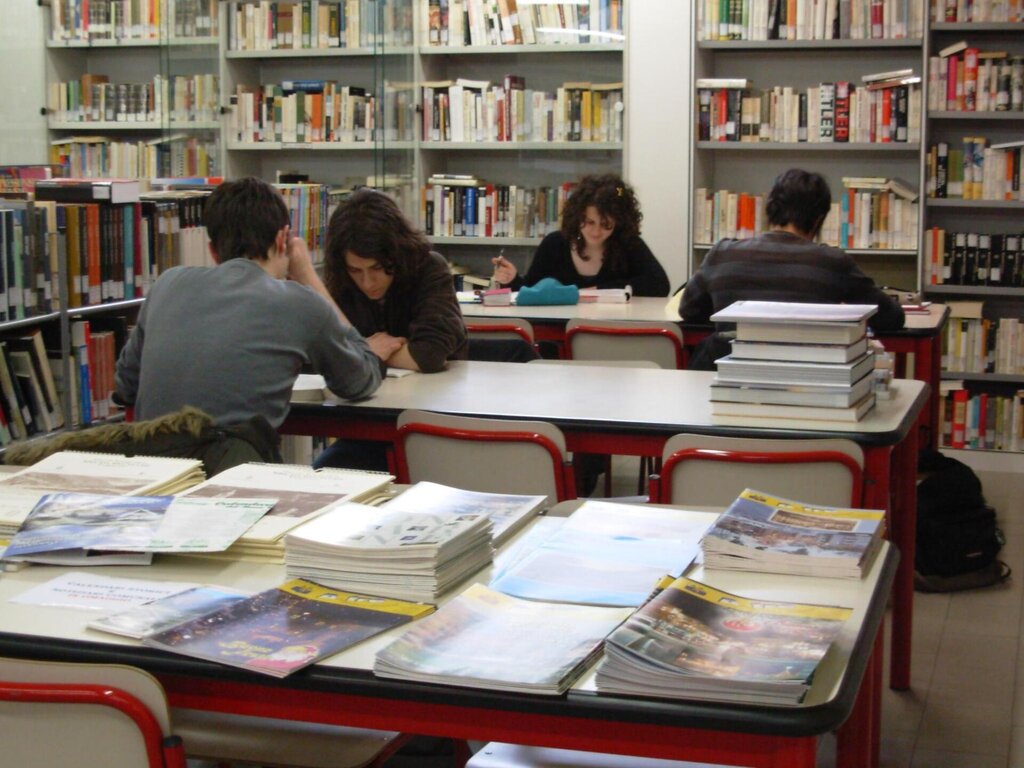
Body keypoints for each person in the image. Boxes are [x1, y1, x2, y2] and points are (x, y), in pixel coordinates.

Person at [114, 176, 383, 451]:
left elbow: (125, 386)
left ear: (213, 251)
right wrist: (308, 277)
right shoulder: (298, 302)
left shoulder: (166, 284)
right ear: (282, 240)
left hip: (153, 474)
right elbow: (361, 381)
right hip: (232, 476)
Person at [680, 168, 905, 369]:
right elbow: (891, 318)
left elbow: (690, 311)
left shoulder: (722, 254)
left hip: (727, 380)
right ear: (819, 220)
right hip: (804, 380)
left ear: (770, 210)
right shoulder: (833, 263)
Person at [323, 187, 468, 374]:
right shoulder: (340, 278)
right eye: (355, 270)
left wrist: (363, 352)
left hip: (433, 396)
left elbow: (429, 354)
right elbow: (322, 354)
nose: (367, 283)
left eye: (377, 268)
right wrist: (368, 351)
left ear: (397, 253)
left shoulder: (429, 267)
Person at [491, 174, 670, 298]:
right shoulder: (555, 244)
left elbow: (660, 285)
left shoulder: (628, 244)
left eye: (606, 224)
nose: (596, 231)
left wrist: (599, 290)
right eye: (589, 222)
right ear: (577, 217)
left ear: (620, 222)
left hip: (611, 332)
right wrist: (512, 279)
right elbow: (530, 292)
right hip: (560, 335)